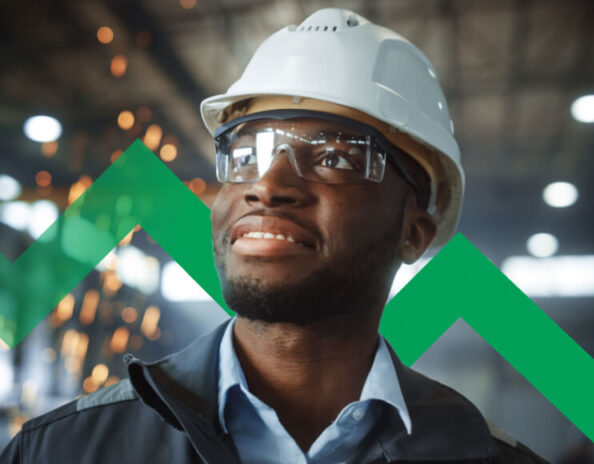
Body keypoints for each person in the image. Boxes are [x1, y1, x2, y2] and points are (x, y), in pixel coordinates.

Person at [1, 8, 547, 464]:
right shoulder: (60, 450)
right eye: (247, 154)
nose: (267, 185)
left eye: (335, 157)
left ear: (413, 232)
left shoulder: (481, 456)